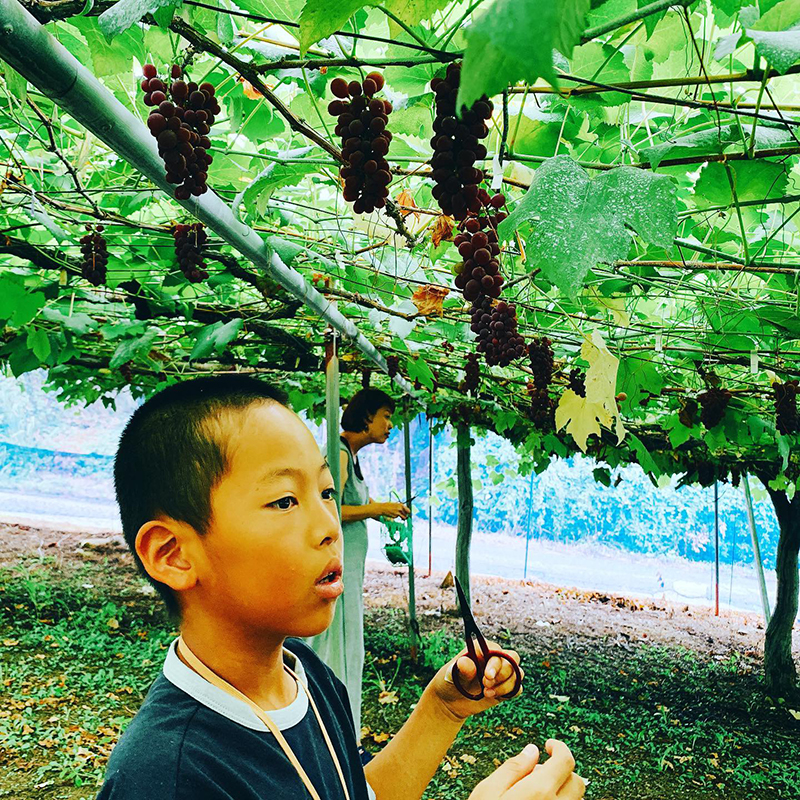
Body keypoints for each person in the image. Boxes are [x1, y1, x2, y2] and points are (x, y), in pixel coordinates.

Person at [97, 374, 586, 800]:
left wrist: (442, 707)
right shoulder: (168, 777)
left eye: (327, 492)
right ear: (173, 554)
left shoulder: (306, 676)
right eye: (286, 501)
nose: (329, 524)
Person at [307, 388, 409, 738]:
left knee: (346, 645)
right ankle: (328, 729)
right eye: (386, 415)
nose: (390, 424)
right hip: (336, 571)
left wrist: (383, 509)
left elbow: (346, 503)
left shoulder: (349, 455)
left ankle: (338, 729)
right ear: (367, 417)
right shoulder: (337, 453)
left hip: (347, 572)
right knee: (335, 646)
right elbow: (329, 512)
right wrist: (378, 509)